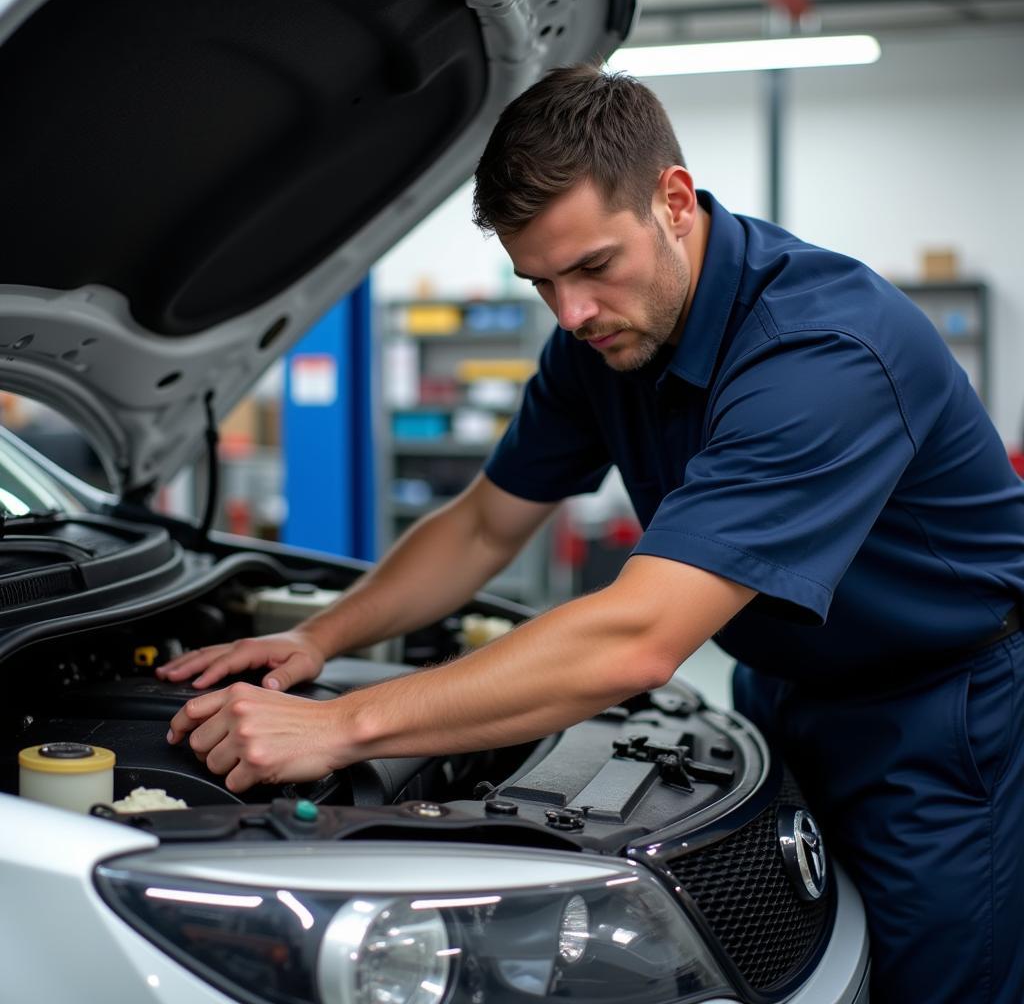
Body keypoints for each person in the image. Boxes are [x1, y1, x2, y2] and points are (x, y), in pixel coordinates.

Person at [158, 64, 1024, 1003]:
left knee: (925, 981)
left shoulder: (821, 353)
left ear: (675, 201)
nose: (571, 313)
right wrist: (317, 637)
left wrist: (342, 726)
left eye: (593, 267)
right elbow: (487, 524)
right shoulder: (602, 342)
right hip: (786, 687)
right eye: (541, 282)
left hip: (941, 723)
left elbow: (638, 638)